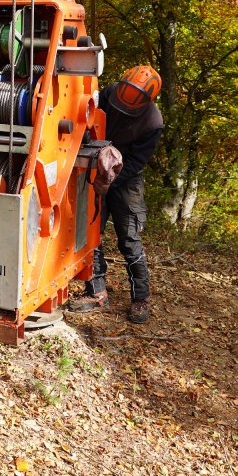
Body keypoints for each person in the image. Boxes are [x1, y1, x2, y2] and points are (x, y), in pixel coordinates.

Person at [68, 65, 164, 324]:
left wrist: (110, 180)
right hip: (95, 168)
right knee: (91, 234)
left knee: (129, 239)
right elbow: (89, 118)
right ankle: (97, 292)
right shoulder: (111, 93)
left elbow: (136, 162)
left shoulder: (152, 123)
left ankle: (140, 298)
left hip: (127, 180)